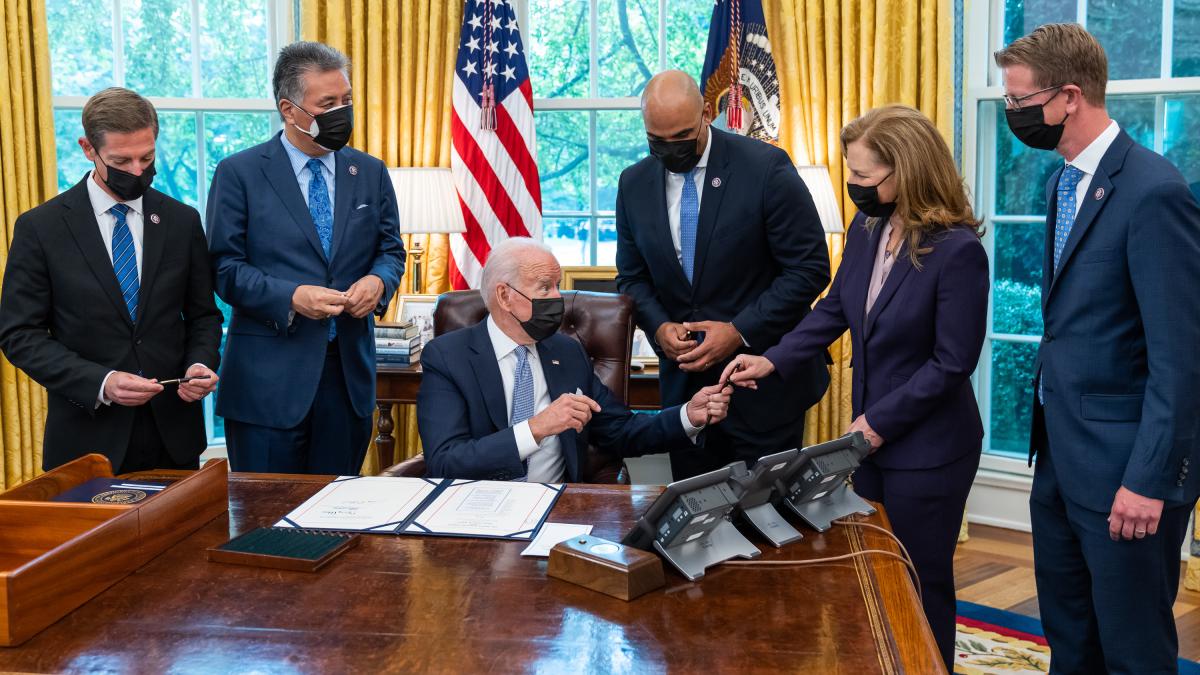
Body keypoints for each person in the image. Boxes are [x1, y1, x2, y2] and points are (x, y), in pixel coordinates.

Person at [720, 105, 989, 669]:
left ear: (906, 172)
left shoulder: (959, 251)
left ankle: (928, 664)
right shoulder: (869, 229)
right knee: (871, 569)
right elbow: (835, 308)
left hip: (929, 448)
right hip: (868, 442)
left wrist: (878, 423)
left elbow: (950, 363)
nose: (854, 186)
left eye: (864, 177)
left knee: (920, 577)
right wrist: (771, 360)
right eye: (852, 173)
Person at [995, 24, 1200, 673]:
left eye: (1020, 100)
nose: (1011, 113)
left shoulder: (1154, 190)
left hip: (1126, 476)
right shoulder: (1061, 183)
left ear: (1070, 97)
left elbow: (1182, 356)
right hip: (1059, 459)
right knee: (1070, 636)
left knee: (1134, 649)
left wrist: (1148, 478)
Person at [615, 70, 830, 481]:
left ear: (707, 114)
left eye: (680, 137)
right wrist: (659, 327)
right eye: (657, 140)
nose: (669, 149)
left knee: (770, 524)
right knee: (695, 521)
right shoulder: (634, 183)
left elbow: (809, 268)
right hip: (686, 394)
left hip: (763, 387)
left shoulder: (764, 168)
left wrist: (738, 329)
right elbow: (631, 278)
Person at [0, 87, 222, 474]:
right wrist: (102, 382)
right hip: (86, 442)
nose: (138, 171)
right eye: (122, 160)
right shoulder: (41, 228)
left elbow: (203, 316)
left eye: (147, 157)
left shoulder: (181, 221)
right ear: (89, 149)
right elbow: (20, 335)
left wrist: (200, 364)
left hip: (174, 437)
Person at [207, 41, 404, 474]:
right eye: (327, 103)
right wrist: (292, 296)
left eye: (347, 100)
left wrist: (379, 282)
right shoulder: (239, 173)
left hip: (348, 378)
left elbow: (391, 251)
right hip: (267, 383)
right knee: (265, 526)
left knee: (337, 518)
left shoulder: (369, 172)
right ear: (289, 109)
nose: (342, 112)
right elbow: (224, 268)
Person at [418, 238, 732, 482]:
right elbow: (445, 461)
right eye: (544, 287)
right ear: (504, 296)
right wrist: (536, 428)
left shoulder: (566, 352)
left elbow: (622, 430)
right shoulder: (448, 357)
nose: (557, 297)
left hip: (558, 510)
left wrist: (688, 415)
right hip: (477, 510)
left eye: (557, 285)